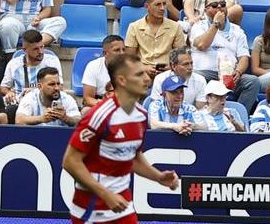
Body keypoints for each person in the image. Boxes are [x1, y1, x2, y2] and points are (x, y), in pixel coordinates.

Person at [62, 54, 181, 223]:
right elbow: (70, 162)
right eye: (139, 74)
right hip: (92, 208)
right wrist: (105, 194)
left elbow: (132, 157)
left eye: (145, 73)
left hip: (123, 205)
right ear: (122, 80)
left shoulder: (141, 115)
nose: (147, 79)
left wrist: (158, 177)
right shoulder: (100, 115)